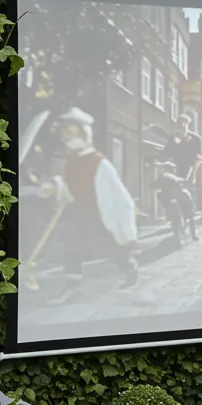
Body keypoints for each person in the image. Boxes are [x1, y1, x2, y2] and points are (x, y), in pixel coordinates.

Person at [43, 107, 139, 301]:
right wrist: (59, 190)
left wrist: (128, 231)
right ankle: (72, 287)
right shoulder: (70, 162)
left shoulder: (99, 162)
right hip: (78, 214)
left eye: (69, 131)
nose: (65, 136)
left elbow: (121, 198)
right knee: (71, 246)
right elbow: (69, 187)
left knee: (113, 248)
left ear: (82, 132)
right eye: (64, 132)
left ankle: (130, 268)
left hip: (100, 215)